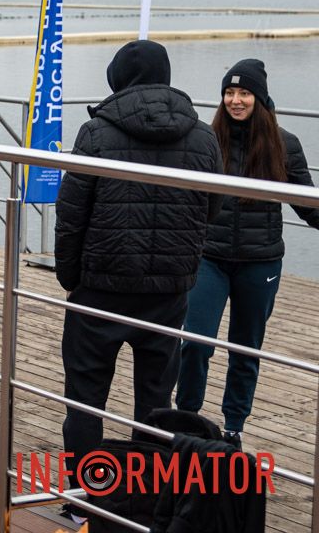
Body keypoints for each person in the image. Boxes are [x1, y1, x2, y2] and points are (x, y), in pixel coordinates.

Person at [54, 40, 221, 511]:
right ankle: (145, 499)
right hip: (168, 292)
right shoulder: (204, 137)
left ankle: (85, 498)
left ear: (119, 78)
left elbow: (71, 216)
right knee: (155, 400)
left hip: (100, 288)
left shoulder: (96, 134)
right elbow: (212, 208)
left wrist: (72, 277)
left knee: (86, 400)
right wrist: (182, 264)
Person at [176, 59, 319, 447]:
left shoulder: (284, 144)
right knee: (195, 343)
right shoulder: (207, 138)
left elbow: (308, 205)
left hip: (261, 263)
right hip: (210, 257)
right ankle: (185, 420)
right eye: (229, 93)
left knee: (245, 349)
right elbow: (186, 198)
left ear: (259, 98)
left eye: (244, 93)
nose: (235, 100)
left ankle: (234, 427)